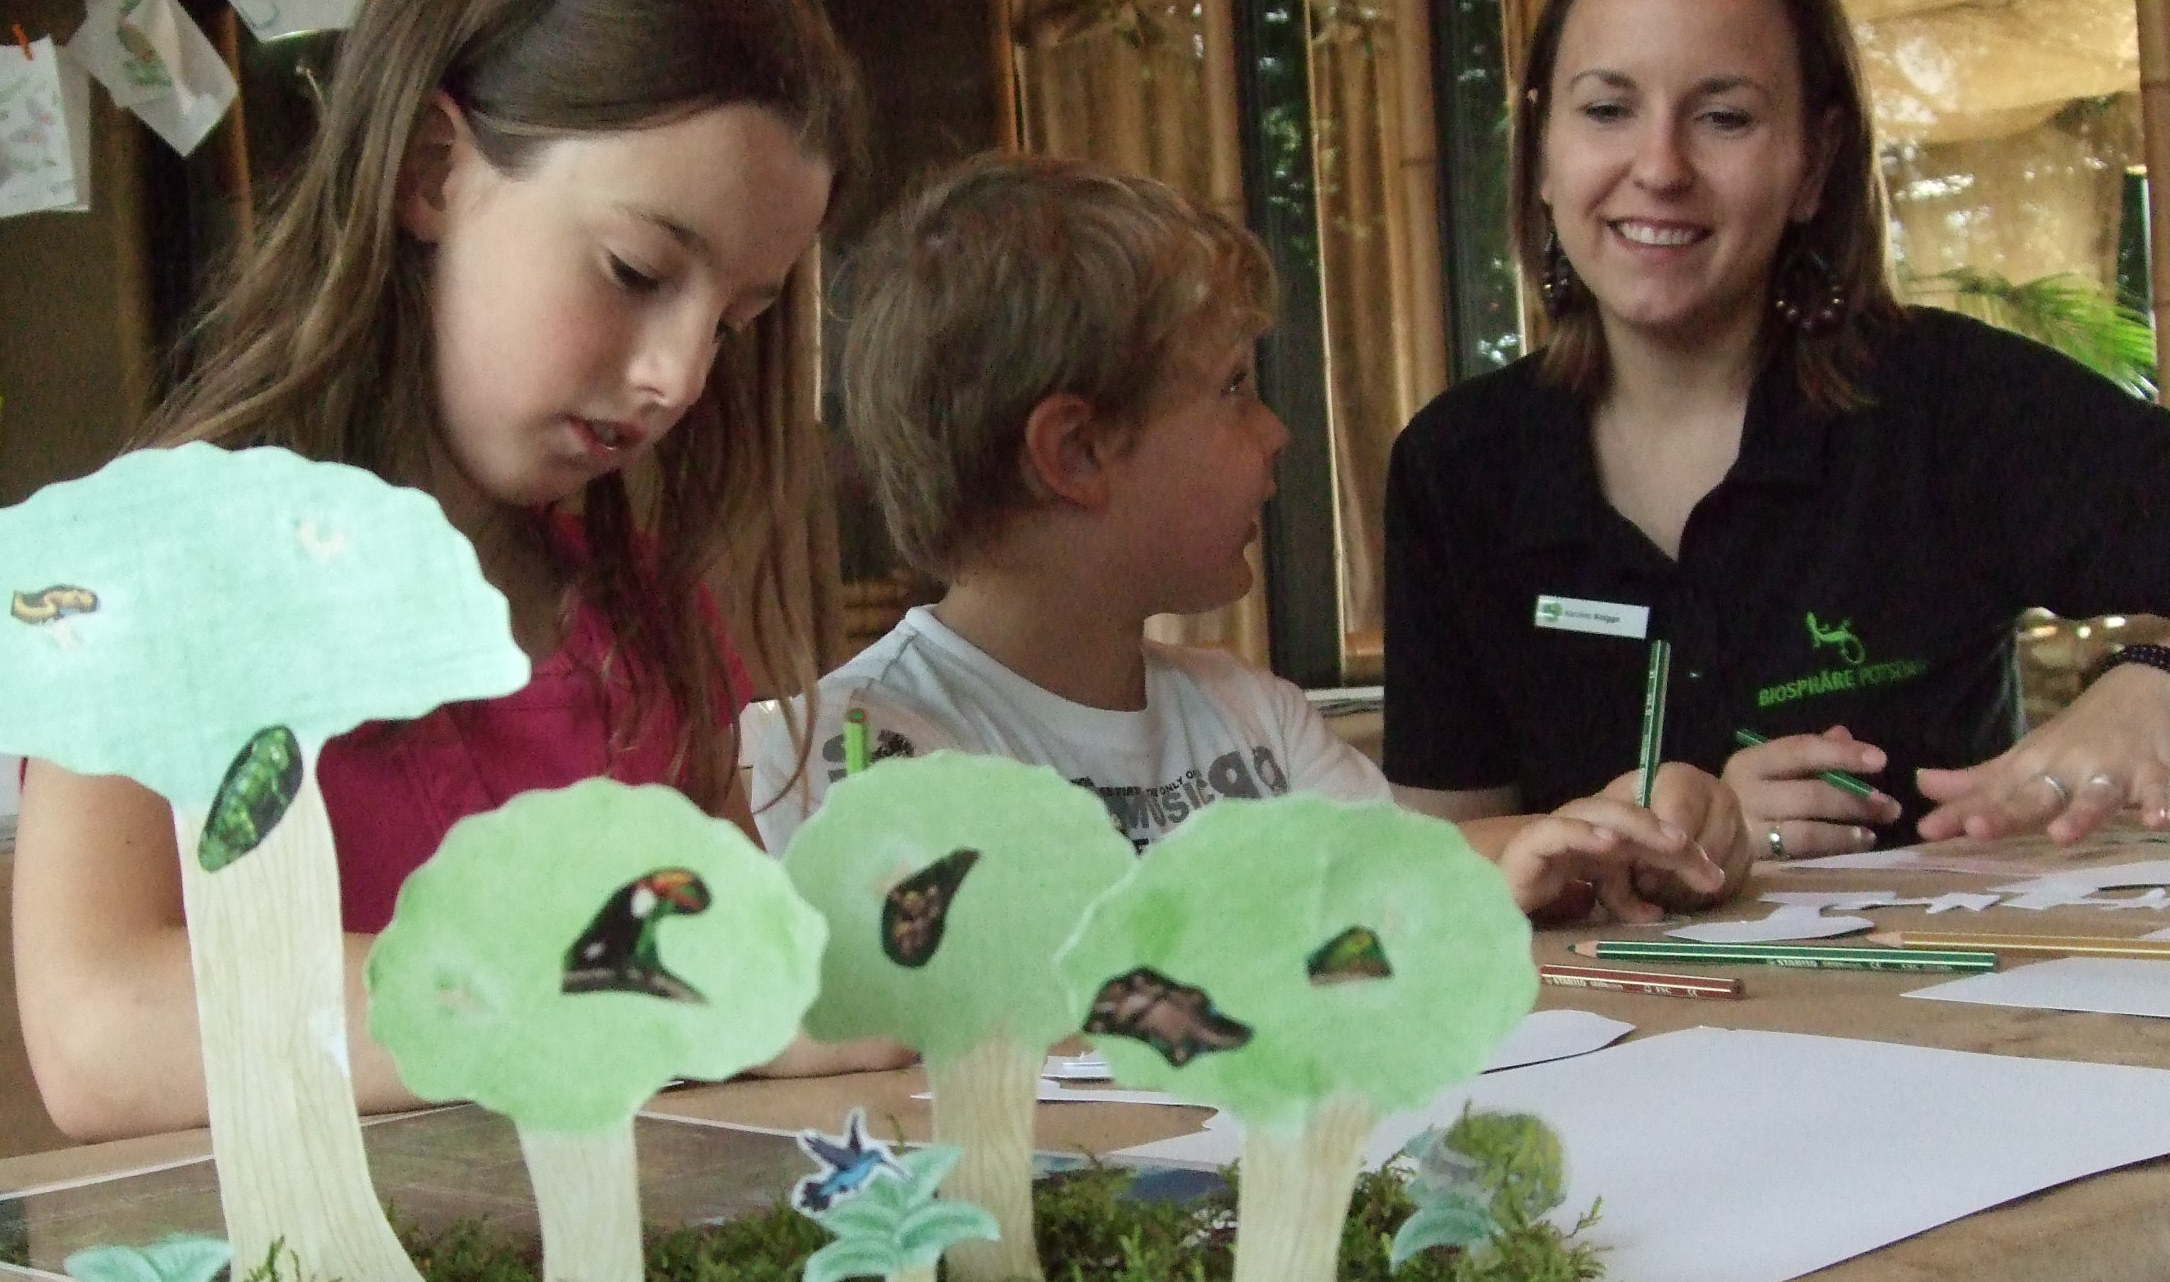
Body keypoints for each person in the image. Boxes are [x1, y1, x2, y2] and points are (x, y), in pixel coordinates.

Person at [14, 0, 904, 1140]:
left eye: (740, 321)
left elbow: (743, 982)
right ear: (434, 172)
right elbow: (101, 1032)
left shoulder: (645, 619)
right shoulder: (156, 573)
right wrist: (633, 992)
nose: (677, 376)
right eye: (637, 268)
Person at [1381, 0, 2170, 858]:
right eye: (1606, 109)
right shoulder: (1459, 464)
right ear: (1545, 152)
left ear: (1815, 162)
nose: (1658, 165)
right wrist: (1681, 829)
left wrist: (2160, 690)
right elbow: (1432, 867)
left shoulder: (1942, 400)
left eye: (1724, 116)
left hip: (1956, 1020)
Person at [749, 153, 1749, 921]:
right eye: (1232, 388)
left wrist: (1580, 834)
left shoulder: (1248, 719)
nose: (1275, 433)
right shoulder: (849, 755)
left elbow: (1394, 871)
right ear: (1078, 450)